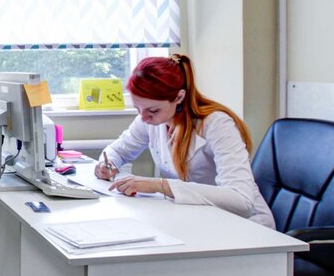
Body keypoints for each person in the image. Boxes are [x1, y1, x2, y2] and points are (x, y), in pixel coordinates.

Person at [94, 54, 275, 229]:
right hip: (200, 219)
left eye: (153, 110)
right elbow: (117, 151)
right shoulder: (151, 119)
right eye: (137, 108)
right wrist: (108, 164)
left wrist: (160, 186)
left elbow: (241, 200)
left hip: (246, 227)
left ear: (179, 97)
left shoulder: (217, 124)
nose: (144, 117)